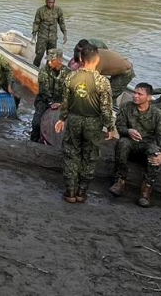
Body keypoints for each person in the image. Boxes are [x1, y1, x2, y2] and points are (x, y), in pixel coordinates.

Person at [55, 44, 118, 203]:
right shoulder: (102, 81)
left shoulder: (70, 77)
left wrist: (62, 119)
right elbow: (106, 108)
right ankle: (81, 192)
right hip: (93, 122)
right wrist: (110, 127)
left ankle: (70, 191)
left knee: (71, 153)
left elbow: (65, 102)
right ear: (97, 59)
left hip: (74, 119)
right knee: (90, 156)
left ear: (81, 59)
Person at [110, 82, 161, 207]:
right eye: (134, 93)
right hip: (130, 142)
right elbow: (119, 126)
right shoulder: (126, 107)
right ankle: (120, 181)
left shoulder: (158, 115)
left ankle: (146, 190)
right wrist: (128, 131)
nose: (135, 96)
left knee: (155, 153)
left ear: (149, 97)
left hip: (147, 144)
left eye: (139, 94)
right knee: (122, 143)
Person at [71, 40, 135, 102]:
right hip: (116, 69)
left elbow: (91, 82)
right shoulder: (91, 53)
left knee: (109, 95)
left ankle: (110, 108)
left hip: (126, 72)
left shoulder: (96, 62)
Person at [32, 48, 66, 143]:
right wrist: (51, 103)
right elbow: (44, 90)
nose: (49, 62)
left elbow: (68, 91)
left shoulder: (67, 73)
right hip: (44, 101)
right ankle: (33, 142)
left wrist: (62, 104)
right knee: (36, 123)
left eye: (52, 60)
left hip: (60, 103)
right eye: (48, 60)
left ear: (59, 61)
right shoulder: (43, 71)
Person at [32, 0, 68, 67]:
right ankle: (34, 68)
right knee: (39, 54)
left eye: (52, 2)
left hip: (52, 37)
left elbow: (61, 22)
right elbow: (36, 23)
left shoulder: (58, 10)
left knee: (51, 56)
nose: (50, 4)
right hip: (42, 36)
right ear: (46, 1)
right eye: (48, 2)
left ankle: (47, 71)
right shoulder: (40, 10)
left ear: (54, 2)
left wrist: (65, 33)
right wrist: (34, 35)